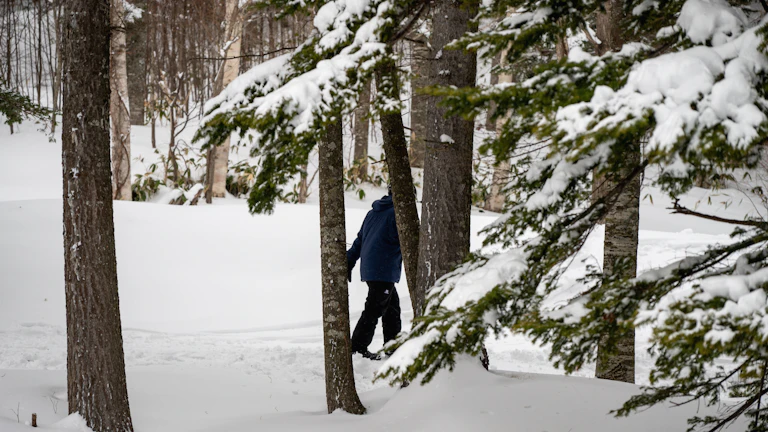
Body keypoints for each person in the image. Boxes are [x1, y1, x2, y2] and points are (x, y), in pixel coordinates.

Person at [346, 185, 402, 361]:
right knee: (374, 308)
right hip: (383, 269)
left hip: (372, 268)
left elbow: (359, 240)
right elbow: (406, 240)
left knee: (392, 307)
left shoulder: (374, 212)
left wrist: (349, 261)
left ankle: (393, 347)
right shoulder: (397, 213)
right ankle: (357, 348)